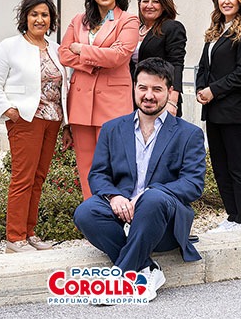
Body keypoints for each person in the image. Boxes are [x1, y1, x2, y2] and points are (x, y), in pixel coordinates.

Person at [73, 57, 206, 302]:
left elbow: (193, 184)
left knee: (152, 198)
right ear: (134, 88)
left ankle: (118, 281)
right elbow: (98, 174)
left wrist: (147, 194)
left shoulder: (189, 134)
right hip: (122, 216)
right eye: (143, 88)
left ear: (170, 92)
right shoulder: (112, 128)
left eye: (157, 89)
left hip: (163, 222)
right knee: (86, 212)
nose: (148, 95)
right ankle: (146, 268)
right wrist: (114, 196)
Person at [0, 0, 73, 254]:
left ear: (51, 20)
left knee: (39, 178)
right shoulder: (9, 46)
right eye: (34, 14)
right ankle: (15, 238)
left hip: (53, 120)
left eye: (45, 15)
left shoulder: (56, 49)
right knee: (23, 178)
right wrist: (8, 110)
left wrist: (67, 124)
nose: (39, 19)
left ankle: (29, 233)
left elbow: (66, 88)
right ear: (25, 17)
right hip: (25, 119)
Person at [58, 0, 139, 199]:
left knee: (113, 164)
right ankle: (92, 212)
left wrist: (82, 50)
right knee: (86, 166)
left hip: (113, 104)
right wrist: (94, 61)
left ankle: (115, 211)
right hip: (81, 102)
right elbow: (64, 54)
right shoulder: (79, 20)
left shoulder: (128, 20)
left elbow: (119, 56)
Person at [195, 0, 241, 232]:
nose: (227, 1)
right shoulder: (215, 30)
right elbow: (203, 66)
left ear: (240, 0)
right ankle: (232, 216)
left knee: (236, 166)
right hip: (213, 111)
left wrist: (213, 90)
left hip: (234, 112)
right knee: (220, 167)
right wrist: (201, 88)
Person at [130, 0, 187, 117]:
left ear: (163, 5)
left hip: (161, 98)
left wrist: (172, 100)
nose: (149, 5)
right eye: (145, 1)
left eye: (155, 2)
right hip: (136, 98)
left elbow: (176, 64)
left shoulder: (171, 27)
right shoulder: (134, 29)